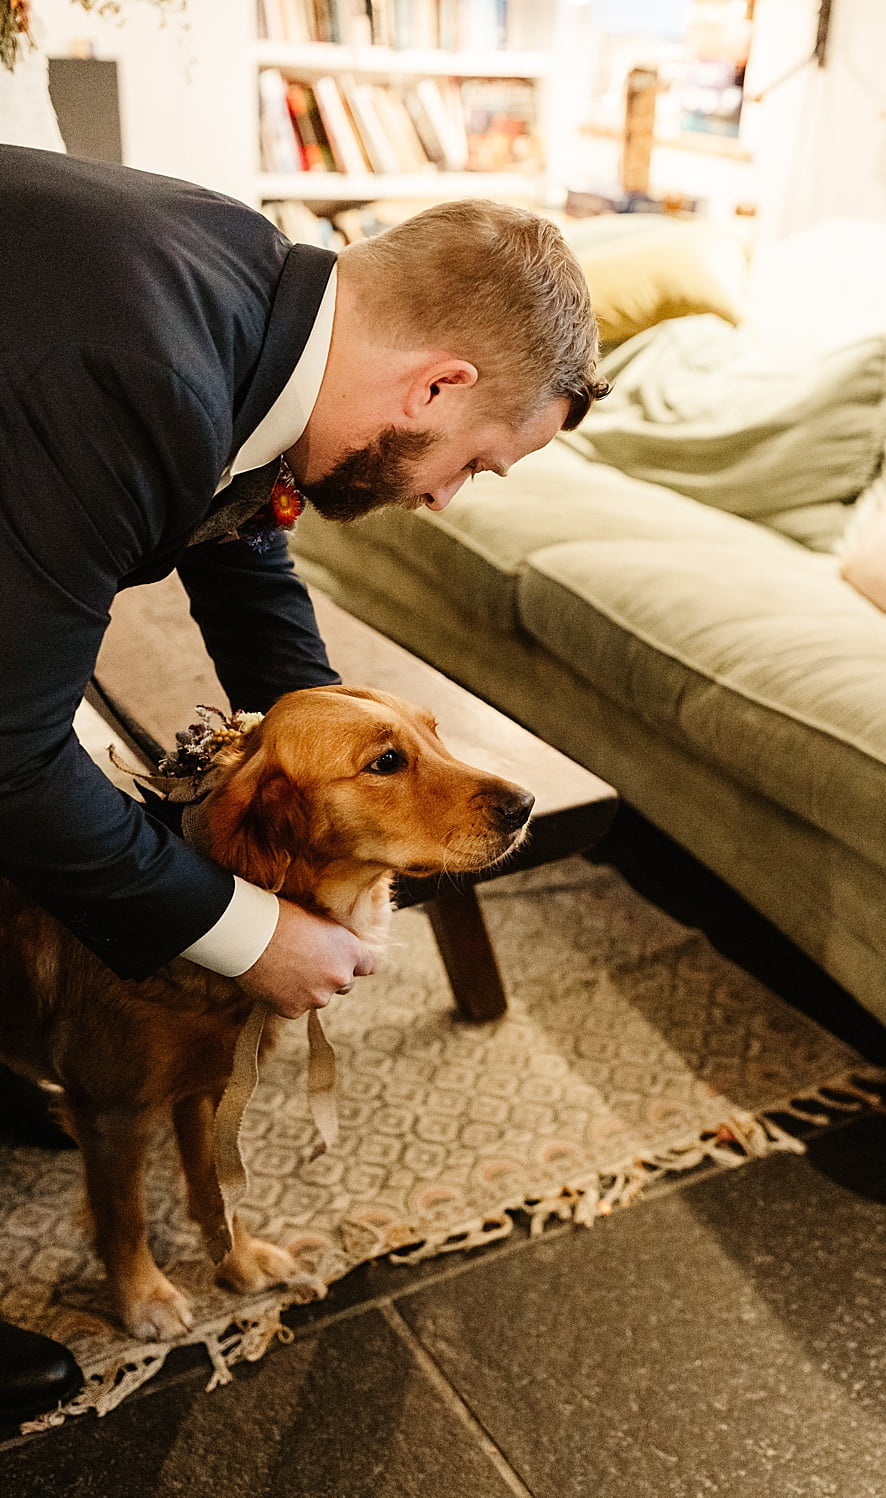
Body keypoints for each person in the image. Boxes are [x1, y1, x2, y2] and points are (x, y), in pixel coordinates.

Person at [0, 144, 603, 1421]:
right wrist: (240, 929)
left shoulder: (249, 293)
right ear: (436, 384)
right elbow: (8, 760)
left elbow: (241, 547)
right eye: (476, 463)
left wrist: (330, 743)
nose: (446, 501)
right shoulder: (136, 374)